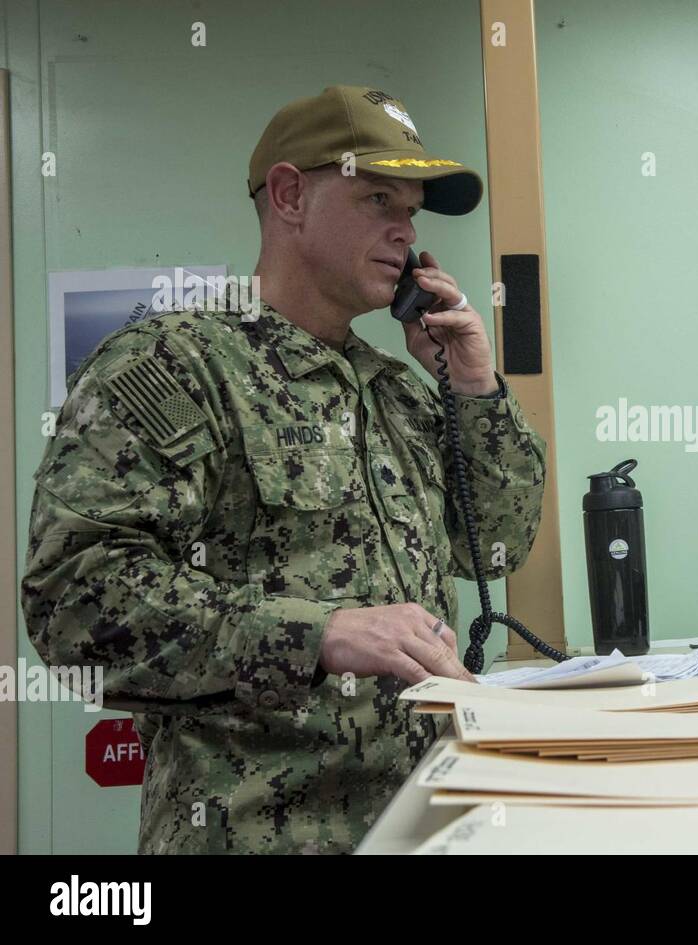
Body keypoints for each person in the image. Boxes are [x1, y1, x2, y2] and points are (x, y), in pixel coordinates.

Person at [21, 85, 547, 853]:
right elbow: (74, 609)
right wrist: (318, 633)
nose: (404, 230)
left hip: (425, 828)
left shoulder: (396, 389)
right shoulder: (175, 365)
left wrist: (472, 386)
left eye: (412, 211)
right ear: (291, 194)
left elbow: (494, 546)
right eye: (376, 199)